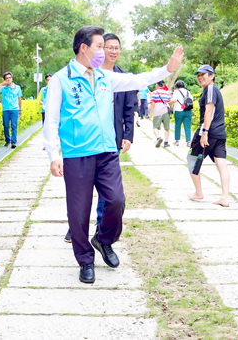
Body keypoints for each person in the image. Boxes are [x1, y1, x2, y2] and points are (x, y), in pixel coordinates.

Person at [44, 25, 184, 284]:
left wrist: (168, 68)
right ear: (83, 48)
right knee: (78, 211)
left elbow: (137, 79)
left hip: (107, 150)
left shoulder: (104, 77)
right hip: (77, 153)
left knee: (116, 201)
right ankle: (85, 260)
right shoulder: (61, 80)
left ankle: (104, 239)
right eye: (99, 46)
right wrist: (54, 154)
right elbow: (51, 120)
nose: (104, 52)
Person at [63, 33, 137, 244]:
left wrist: (128, 135)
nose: (113, 51)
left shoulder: (121, 76)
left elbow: (129, 108)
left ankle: (101, 229)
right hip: (85, 143)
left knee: (112, 194)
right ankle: (76, 227)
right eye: (108, 47)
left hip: (111, 139)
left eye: (116, 48)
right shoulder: (83, 73)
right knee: (82, 192)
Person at [187, 64, 231, 207]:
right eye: (198, 76)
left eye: (203, 75)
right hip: (220, 133)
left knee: (191, 158)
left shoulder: (211, 89)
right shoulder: (212, 89)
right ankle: (225, 197)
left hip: (208, 132)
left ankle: (198, 192)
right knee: (221, 164)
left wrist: (204, 133)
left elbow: (209, 111)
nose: (200, 78)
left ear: (212, 76)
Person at [0, 72, 22, 148]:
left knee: (14, 125)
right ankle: (7, 140)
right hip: (6, 109)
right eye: (6, 78)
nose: (8, 79)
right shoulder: (3, 88)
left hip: (14, 109)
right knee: (6, 125)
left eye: (9, 77)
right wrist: (2, 84)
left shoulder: (17, 87)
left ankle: (13, 142)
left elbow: (19, 98)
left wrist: (20, 109)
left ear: (12, 78)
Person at [170, 80, 193, 147]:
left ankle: (177, 141)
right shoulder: (188, 92)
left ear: (176, 86)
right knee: (187, 126)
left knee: (177, 125)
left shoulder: (176, 91)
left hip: (179, 111)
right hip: (188, 111)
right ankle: (188, 142)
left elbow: (174, 100)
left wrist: (169, 103)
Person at [150, 80, 172, 148]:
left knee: (155, 127)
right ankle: (166, 142)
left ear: (157, 85)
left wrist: (150, 114)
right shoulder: (167, 93)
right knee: (167, 128)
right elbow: (169, 102)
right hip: (166, 111)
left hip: (157, 112)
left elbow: (152, 103)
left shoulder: (154, 93)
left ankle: (158, 138)